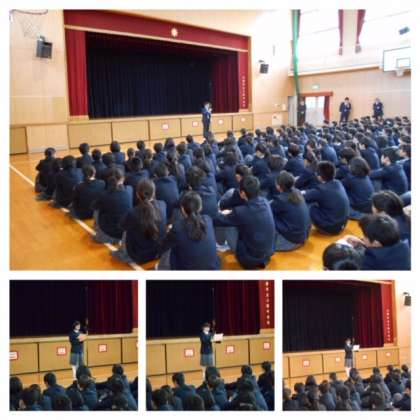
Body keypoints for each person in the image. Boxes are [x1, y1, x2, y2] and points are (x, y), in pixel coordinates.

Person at [215, 176, 275, 269]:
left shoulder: (240, 212)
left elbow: (219, 221)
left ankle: (221, 245)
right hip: (268, 254)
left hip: (248, 259)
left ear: (243, 193)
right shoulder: (265, 201)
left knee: (229, 224)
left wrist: (221, 214)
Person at [158, 191, 221, 270]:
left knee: (169, 251)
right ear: (200, 207)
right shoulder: (208, 219)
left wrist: (169, 232)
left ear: (182, 209)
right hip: (213, 269)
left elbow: (163, 247)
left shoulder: (177, 228)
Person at [112, 179, 166, 264]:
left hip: (140, 256)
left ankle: (123, 253)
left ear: (137, 194)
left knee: (126, 230)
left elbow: (121, 225)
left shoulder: (133, 212)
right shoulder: (163, 204)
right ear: (154, 193)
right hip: (158, 252)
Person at [342, 214, 410, 270]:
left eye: (364, 236)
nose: (362, 237)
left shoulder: (370, 260)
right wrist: (365, 243)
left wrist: (343, 243)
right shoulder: (404, 246)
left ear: (376, 243)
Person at [303, 161, 350, 235]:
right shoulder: (338, 183)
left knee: (308, 205)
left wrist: (301, 191)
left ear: (319, 177)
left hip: (330, 228)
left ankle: (303, 230)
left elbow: (304, 196)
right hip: (342, 225)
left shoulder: (321, 190)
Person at [270, 171, 311, 251]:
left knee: (269, 217)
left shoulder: (281, 200)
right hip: (304, 236)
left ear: (278, 186)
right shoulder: (297, 192)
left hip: (291, 241)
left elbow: (267, 212)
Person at [92, 168, 133, 244]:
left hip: (109, 233)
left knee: (97, 209)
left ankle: (98, 229)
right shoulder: (130, 189)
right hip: (124, 233)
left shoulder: (104, 195)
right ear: (123, 179)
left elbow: (93, 206)